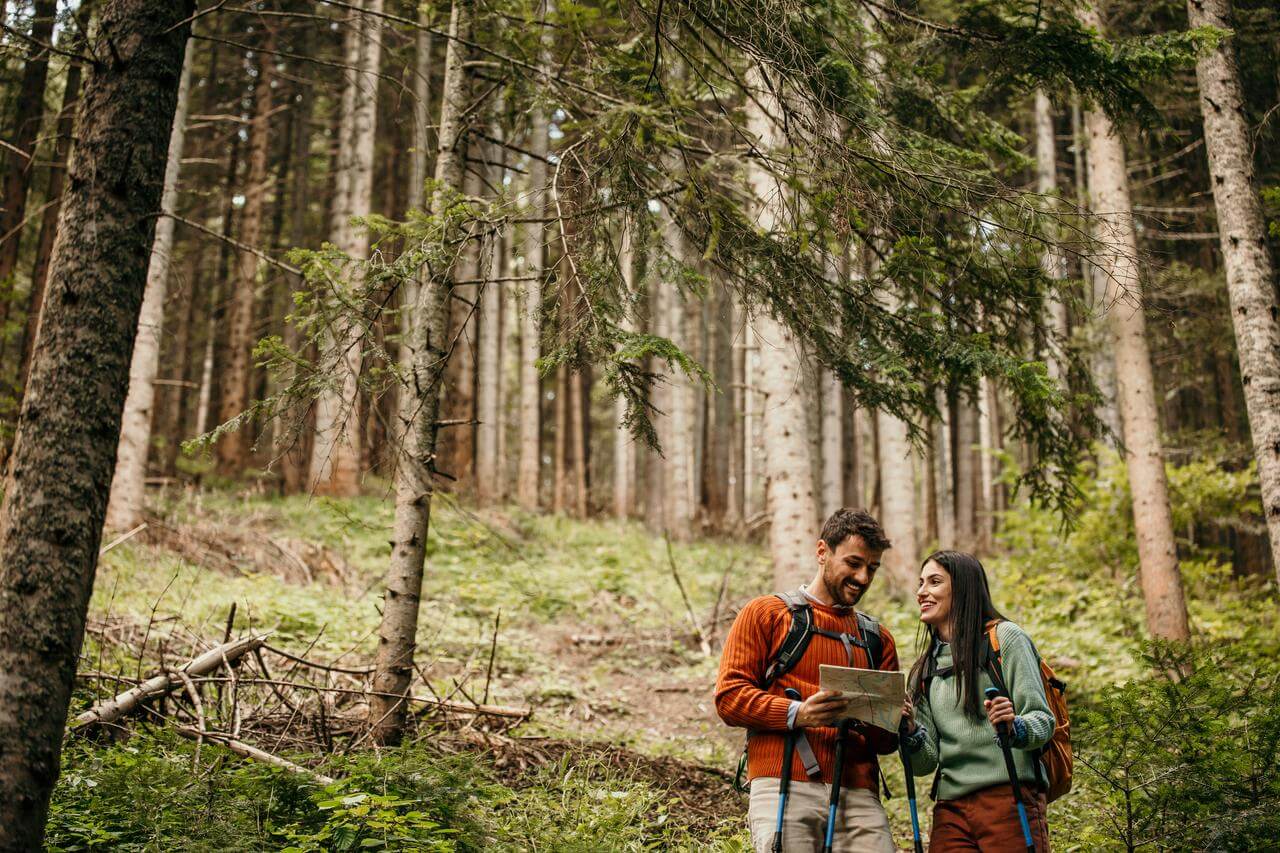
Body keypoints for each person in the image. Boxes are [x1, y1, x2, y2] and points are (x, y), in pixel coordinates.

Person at [715, 509, 899, 852]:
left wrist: (895, 719)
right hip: (783, 783)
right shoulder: (766, 615)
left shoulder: (877, 638)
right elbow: (729, 697)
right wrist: (799, 713)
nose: (863, 577)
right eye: (854, 563)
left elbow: (886, 743)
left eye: (872, 568)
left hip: (859, 795)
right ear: (821, 552)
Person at [900, 550, 1055, 851]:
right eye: (921, 583)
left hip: (1010, 798)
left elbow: (1042, 720)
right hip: (950, 811)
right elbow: (924, 763)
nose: (922, 592)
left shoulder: (1004, 640)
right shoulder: (924, 669)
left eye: (934, 582)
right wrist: (910, 732)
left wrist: (1014, 726)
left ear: (963, 588)